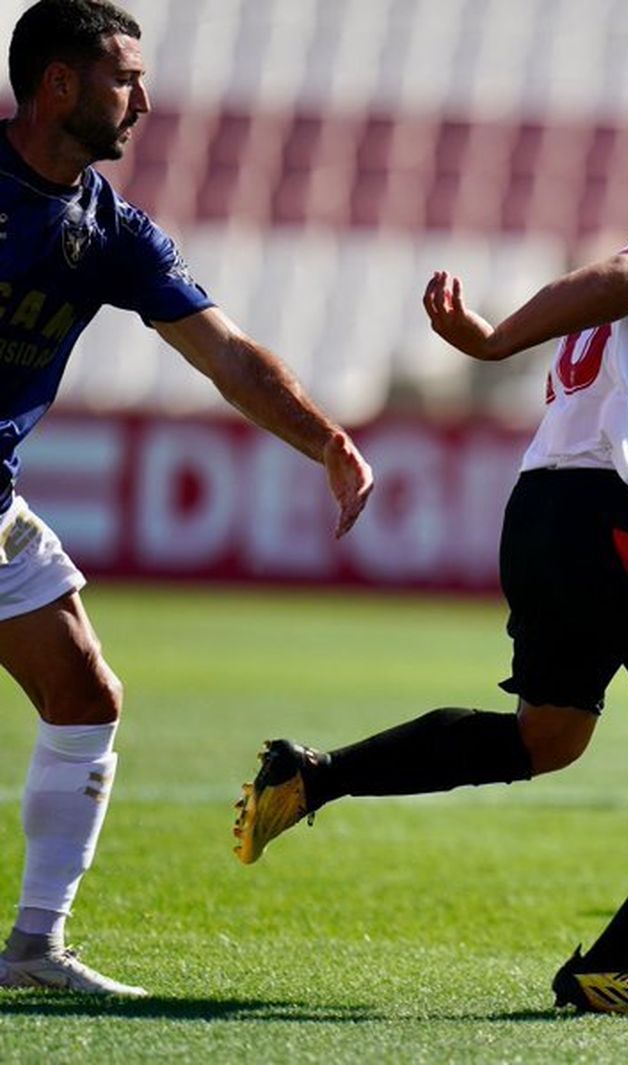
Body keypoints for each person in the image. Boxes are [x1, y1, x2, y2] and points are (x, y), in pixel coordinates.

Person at [231, 132, 628, 1021]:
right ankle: (612, 966)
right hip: (618, 516)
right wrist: (495, 342)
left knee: (550, 736)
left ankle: (312, 777)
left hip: (543, 512)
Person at [0, 0, 373, 996]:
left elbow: (228, 356)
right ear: (59, 84)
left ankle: (33, 949)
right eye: (125, 78)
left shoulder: (110, 229)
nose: (145, 100)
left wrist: (326, 440)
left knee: (84, 694)